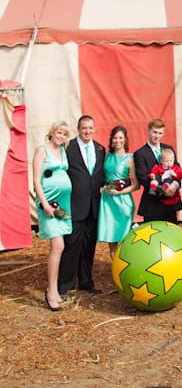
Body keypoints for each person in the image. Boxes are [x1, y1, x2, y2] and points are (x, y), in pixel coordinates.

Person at [58, 115, 106, 296]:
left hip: (94, 207)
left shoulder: (100, 149)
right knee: (71, 246)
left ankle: (86, 282)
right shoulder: (68, 147)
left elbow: (101, 176)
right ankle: (65, 285)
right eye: (84, 128)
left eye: (90, 128)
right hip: (74, 205)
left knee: (88, 247)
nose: (88, 132)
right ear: (78, 129)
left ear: (94, 129)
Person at [33, 121, 73, 311]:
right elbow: (36, 181)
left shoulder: (63, 151)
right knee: (58, 245)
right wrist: (45, 204)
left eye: (64, 134)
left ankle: (54, 289)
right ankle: (51, 290)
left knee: (60, 246)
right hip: (49, 204)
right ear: (52, 133)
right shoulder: (42, 151)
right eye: (59, 133)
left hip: (63, 205)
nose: (61, 137)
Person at [97, 125, 139, 258]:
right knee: (111, 239)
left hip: (123, 202)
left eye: (120, 138)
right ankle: (116, 270)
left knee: (124, 239)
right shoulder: (107, 156)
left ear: (125, 140)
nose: (117, 141)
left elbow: (136, 185)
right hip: (107, 201)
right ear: (111, 139)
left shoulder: (130, 158)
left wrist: (119, 192)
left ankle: (127, 269)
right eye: (115, 138)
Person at [134, 119, 182, 224]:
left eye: (160, 133)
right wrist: (163, 191)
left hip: (170, 203)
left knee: (171, 235)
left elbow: (177, 169)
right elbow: (142, 178)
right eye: (154, 132)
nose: (157, 136)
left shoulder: (168, 149)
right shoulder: (140, 153)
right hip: (152, 204)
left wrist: (174, 186)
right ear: (148, 131)